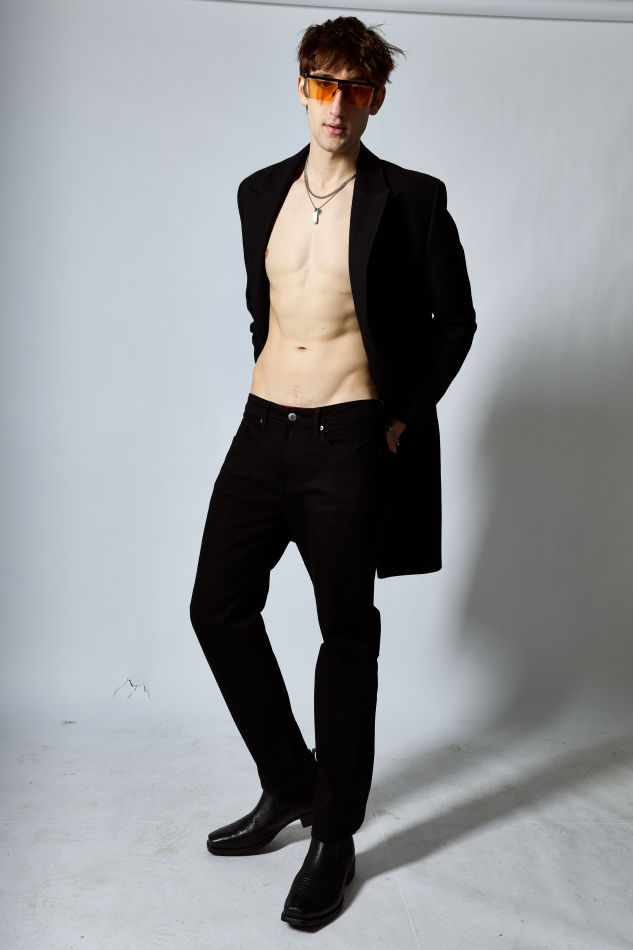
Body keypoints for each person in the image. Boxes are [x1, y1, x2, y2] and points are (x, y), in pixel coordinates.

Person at [189, 15, 476, 929]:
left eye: (355, 89)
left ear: (375, 99)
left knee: (345, 634)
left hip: (347, 439)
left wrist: (397, 414)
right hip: (260, 430)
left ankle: (335, 834)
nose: (336, 104)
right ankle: (290, 781)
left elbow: (455, 323)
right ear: (301, 87)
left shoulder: (411, 198)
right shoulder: (258, 192)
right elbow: (265, 309)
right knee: (216, 609)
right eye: (322, 84)